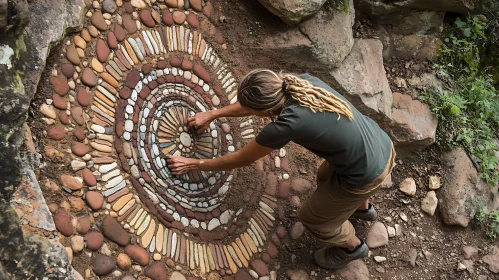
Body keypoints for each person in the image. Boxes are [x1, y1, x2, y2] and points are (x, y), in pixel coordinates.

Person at [166, 69, 396, 269]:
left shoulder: (285, 125)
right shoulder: (298, 82)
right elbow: (255, 105)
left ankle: (353, 247)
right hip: (380, 144)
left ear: (265, 112)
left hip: (367, 173)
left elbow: (240, 159)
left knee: (313, 218)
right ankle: (362, 210)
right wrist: (213, 114)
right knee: (324, 176)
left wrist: (195, 164)